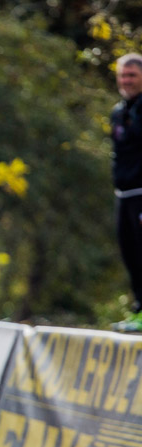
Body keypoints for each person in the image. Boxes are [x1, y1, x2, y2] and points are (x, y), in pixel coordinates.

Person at [110, 53, 142, 331]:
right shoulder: (118, 112)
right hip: (124, 195)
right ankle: (139, 310)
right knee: (130, 254)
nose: (126, 80)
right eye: (123, 75)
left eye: (132, 75)